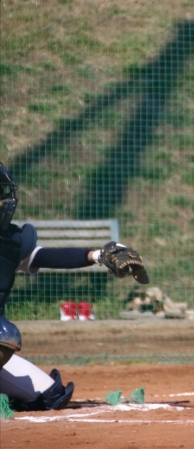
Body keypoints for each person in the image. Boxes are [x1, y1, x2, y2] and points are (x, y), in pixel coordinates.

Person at [0, 162, 149, 410]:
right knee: (3, 333)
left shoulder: (9, 242)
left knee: (50, 395)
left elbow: (46, 257)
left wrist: (98, 255)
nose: (3, 202)